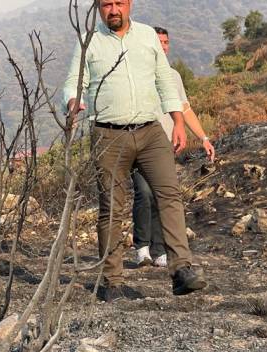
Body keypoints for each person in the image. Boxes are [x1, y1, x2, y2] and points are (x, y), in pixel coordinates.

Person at [63, 0, 215, 301]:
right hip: (108, 134)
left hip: (150, 131)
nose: (113, 10)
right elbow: (73, 82)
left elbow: (164, 81)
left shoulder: (147, 36)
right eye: (106, 5)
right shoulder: (88, 42)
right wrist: (73, 101)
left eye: (119, 3)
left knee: (169, 195)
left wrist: (177, 122)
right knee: (111, 209)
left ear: (129, 4)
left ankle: (181, 270)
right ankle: (112, 282)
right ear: (97, 8)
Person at [132, 26, 209, 268]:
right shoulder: (136, 72)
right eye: (159, 42)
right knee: (144, 193)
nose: (163, 47)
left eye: (166, 42)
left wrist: (203, 138)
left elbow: (184, 109)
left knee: (160, 196)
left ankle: (158, 250)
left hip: (165, 146)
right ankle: (142, 247)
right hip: (138, 142)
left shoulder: (173, 76)